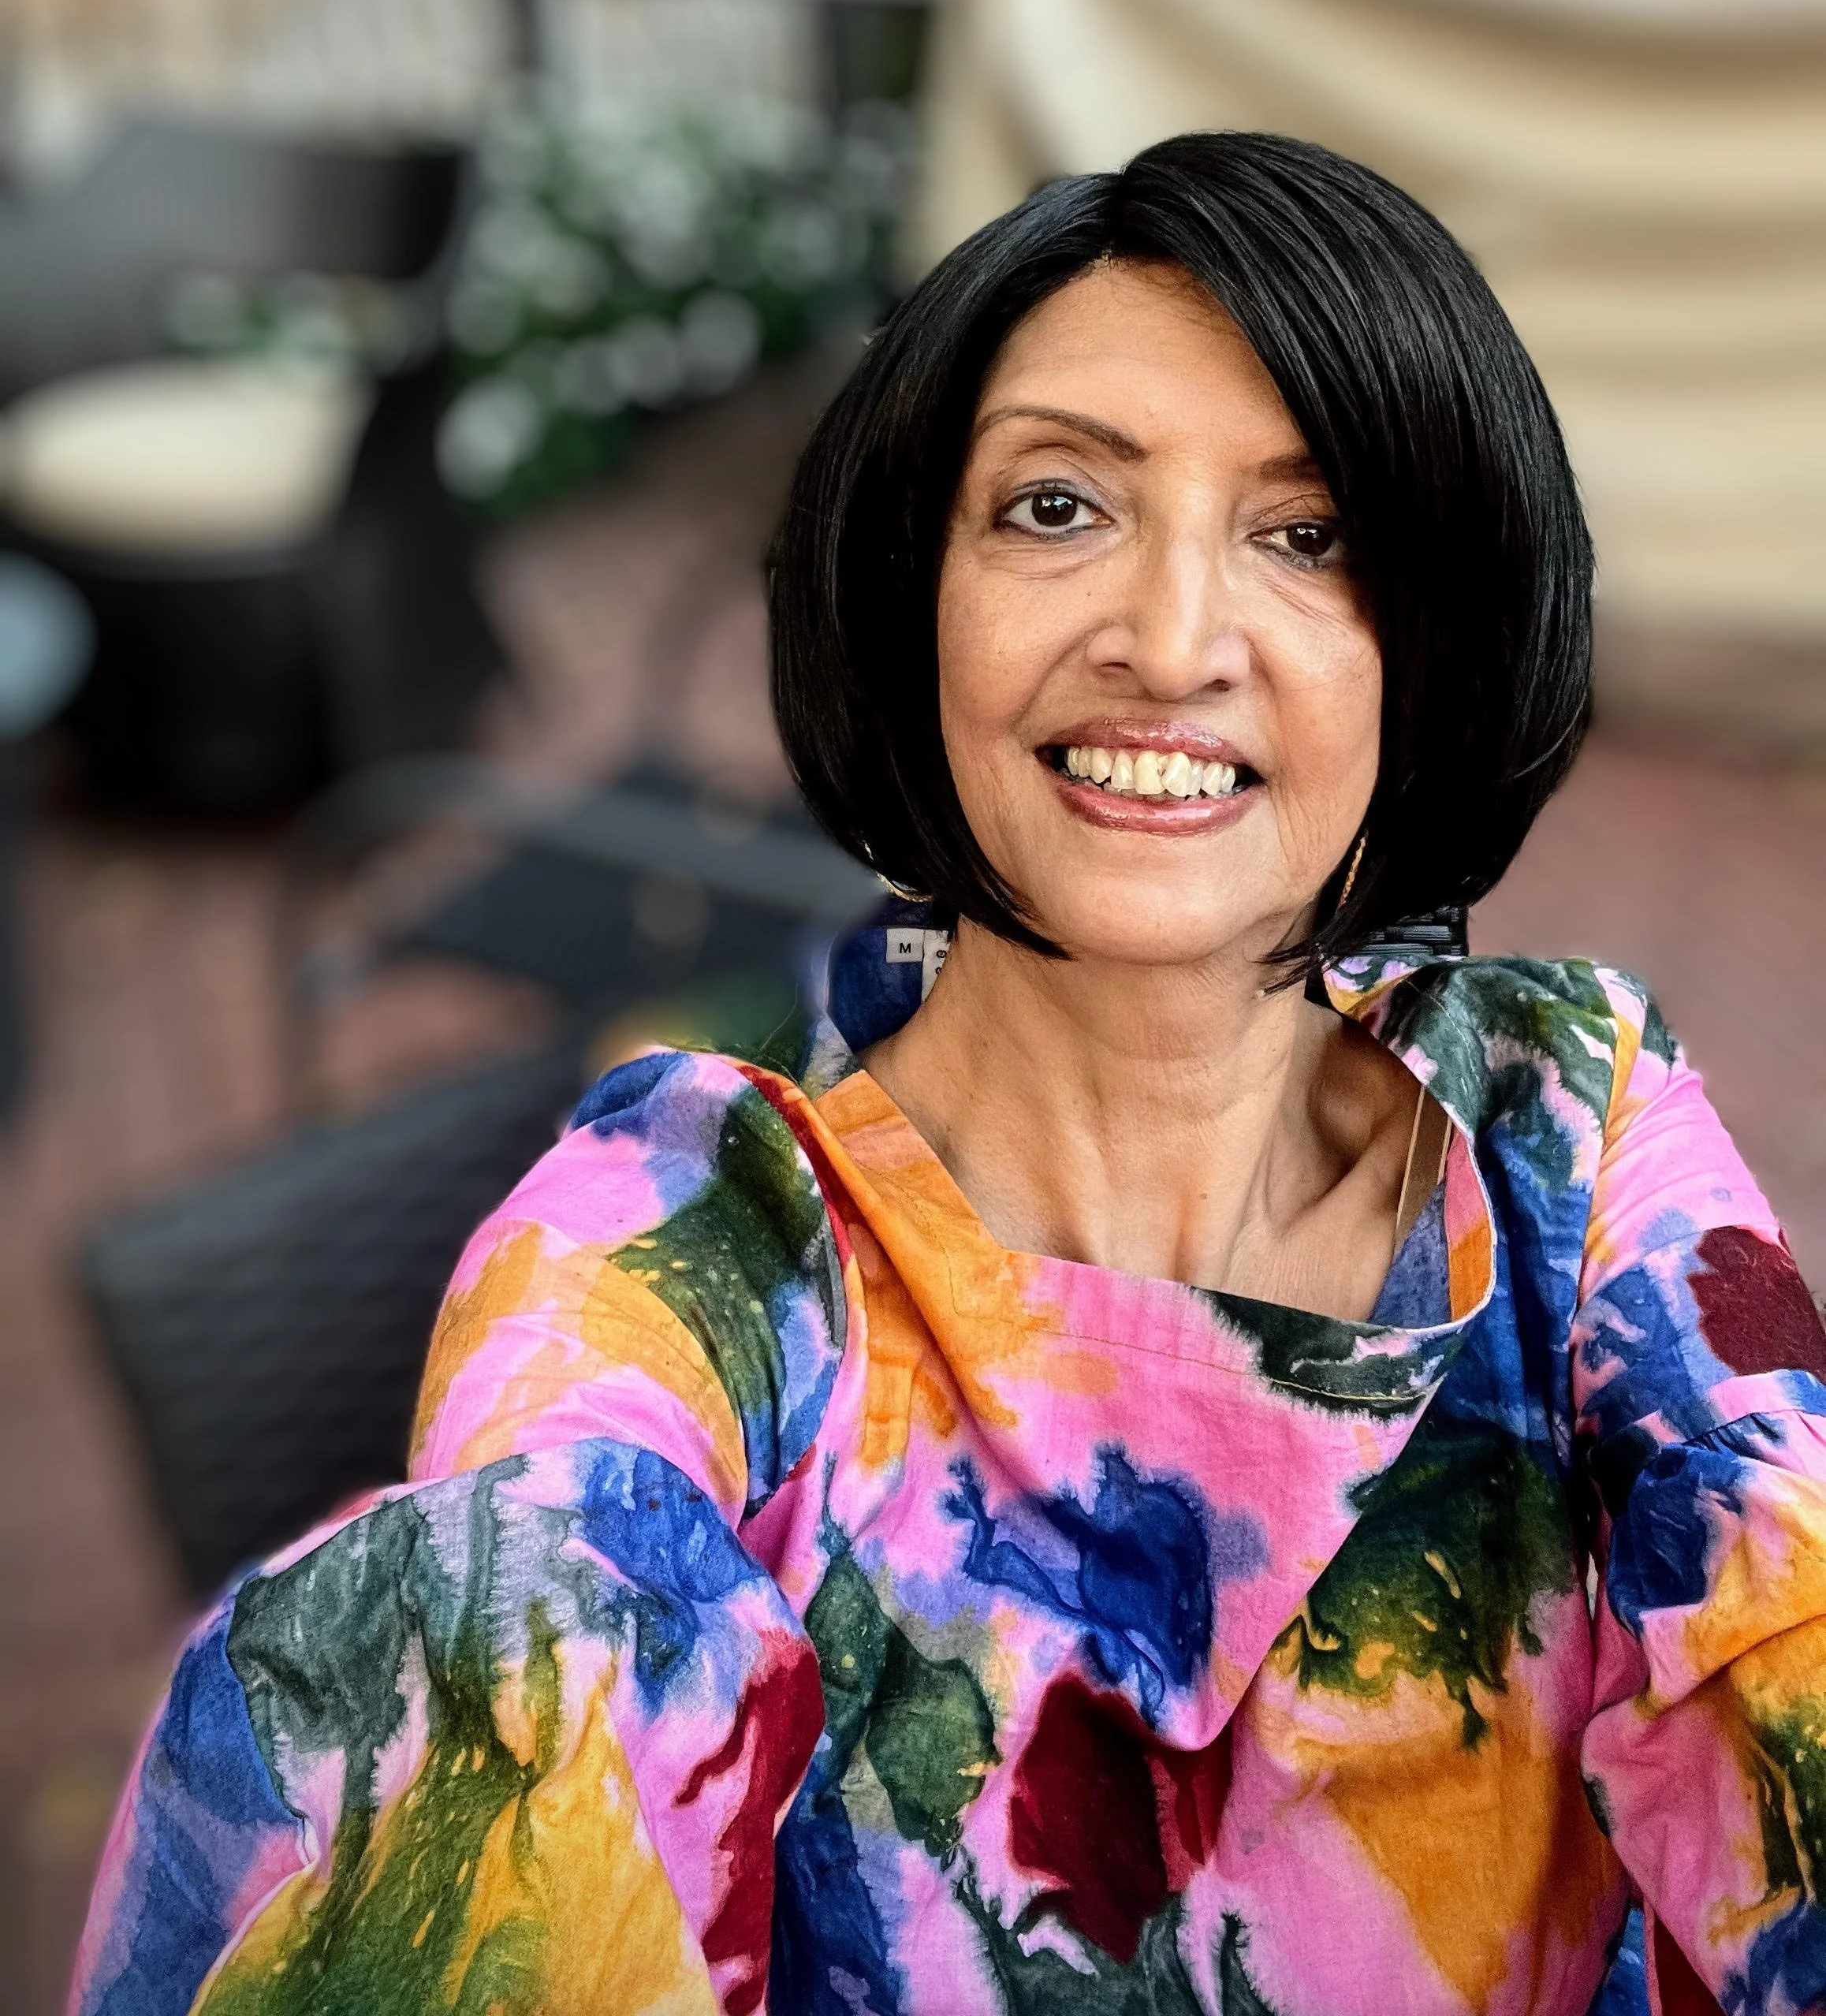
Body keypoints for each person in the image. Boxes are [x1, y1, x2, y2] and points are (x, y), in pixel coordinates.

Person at [74, 134, 1826, 2016]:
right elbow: (520, 1656)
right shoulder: (684, 1257)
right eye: (1060, 505)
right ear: (910, 598)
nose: (1168, 639)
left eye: (1311, 534)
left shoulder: (1569, 1123)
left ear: (1443, 650)